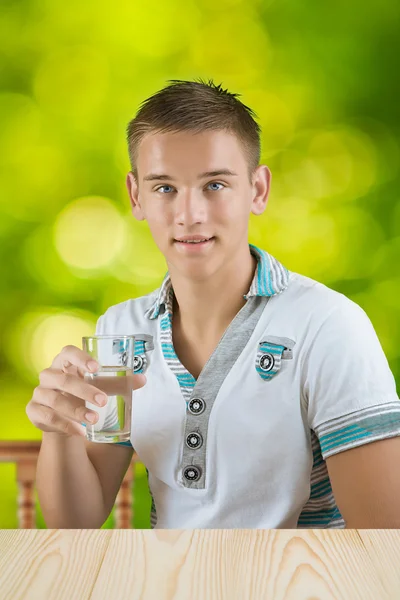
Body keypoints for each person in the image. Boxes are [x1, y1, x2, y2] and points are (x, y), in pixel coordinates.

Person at [26, 79, 400, 529]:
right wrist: (60, 429)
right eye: (164, 188)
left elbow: (384, 540)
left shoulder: (328, 325)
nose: (189, 214)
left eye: (215, 185)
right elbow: (77, 525)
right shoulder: (121, 335)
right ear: (135, 196)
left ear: (258, 190)